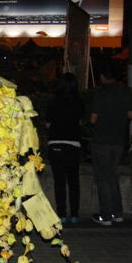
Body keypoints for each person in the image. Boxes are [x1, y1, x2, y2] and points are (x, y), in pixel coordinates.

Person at [89, 62, 132, 226]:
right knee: (113, 176)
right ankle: (117, 212)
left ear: (102, 77)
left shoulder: (100, 93)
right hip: (118, 140)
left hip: (101, 139)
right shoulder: (125, 92)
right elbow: (130, 115)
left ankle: (106, 215)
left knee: (102, 178)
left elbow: (93, 119)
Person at [45, 72, 82, 224]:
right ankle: (74, 215)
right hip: (73, 144)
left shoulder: (53, 101)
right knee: (73, 181)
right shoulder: (79, 102)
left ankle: (61, 214)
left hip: (56, 144)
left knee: (59, 181)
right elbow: (80, 123)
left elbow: (47, 124)